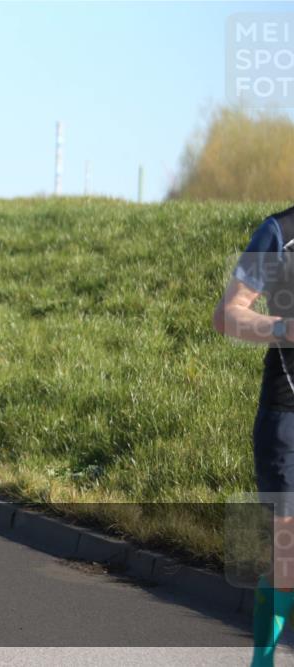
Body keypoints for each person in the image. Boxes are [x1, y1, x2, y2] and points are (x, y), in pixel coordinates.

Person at [214, 204, 294, 666]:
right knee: (288, 559)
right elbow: (227, 315)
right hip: (288, 419)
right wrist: (284, 327)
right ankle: (263, 661)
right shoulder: (278, 233)